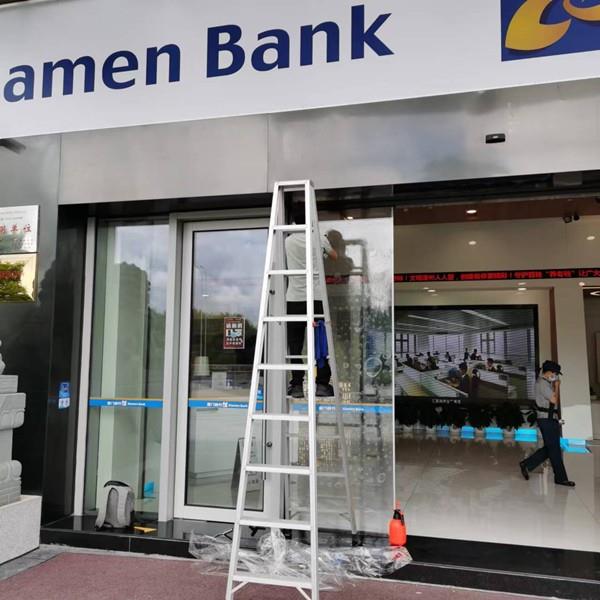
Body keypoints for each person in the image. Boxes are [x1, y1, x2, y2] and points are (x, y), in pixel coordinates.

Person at [286, 202, 338, 399]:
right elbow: (335, 256)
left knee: (295, 345)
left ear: (293, 220)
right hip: (316, 298)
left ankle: (297, 385)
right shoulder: (318, 238)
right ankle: (322, 384)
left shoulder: (287, 241)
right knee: (320, 342)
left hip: (294, 299)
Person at [519, 361, 575, 487]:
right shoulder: (542, 383)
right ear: (549, 372)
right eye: (555, 373)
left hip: (549, 418)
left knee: (551, 448)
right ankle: (560, 478)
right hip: (546, 419)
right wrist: (557, 386)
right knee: (554, 449)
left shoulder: (546, 383)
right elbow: (554, 400)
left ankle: (526, 464)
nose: (556, 376)